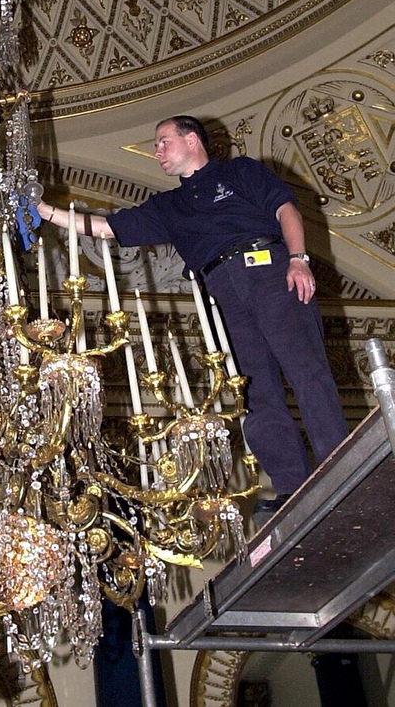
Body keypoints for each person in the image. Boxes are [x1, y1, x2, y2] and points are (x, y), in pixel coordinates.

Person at [37, 114, 348, 517]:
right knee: (252, 392)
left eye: (164, 141)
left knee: (305, 367)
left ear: (192, 140)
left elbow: (286, 210)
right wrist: (44, 211)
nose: (157, 152)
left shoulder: (240, 172)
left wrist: (298, 259)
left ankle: (339, 468)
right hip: (222, 291)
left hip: (269, 270)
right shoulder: (171, 207)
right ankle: (292, 488)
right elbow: (106, 228)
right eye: (156, 145)